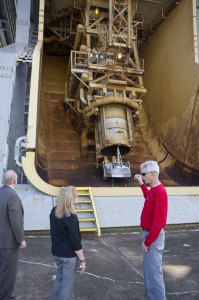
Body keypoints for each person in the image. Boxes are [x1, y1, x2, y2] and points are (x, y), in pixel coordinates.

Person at [134, 160, 168, 300]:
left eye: (144, 174)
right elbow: (148, 197)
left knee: (154, 275)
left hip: (152, 236)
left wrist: (147, 242)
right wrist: (141, 184)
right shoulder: (154, 190)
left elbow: (159, 222)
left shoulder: (160, 192)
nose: (142, 176)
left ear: (153, 174)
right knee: (150, 273)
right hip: (150, 235)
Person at [49, 186, 86, 300]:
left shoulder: (54, 211)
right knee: (67, 285)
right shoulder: (71, 216)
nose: (78, 197)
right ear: (71, 198)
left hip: (57, 253)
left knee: (60, 278)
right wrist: (82, 260)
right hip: (68, 256)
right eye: (76, 195)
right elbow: (75, 242)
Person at [0, 170, 26, 300]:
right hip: (8, 242)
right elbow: (16, 221)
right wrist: (21, 239)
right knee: (7, 273)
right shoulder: (12, 196)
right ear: (15, 181)